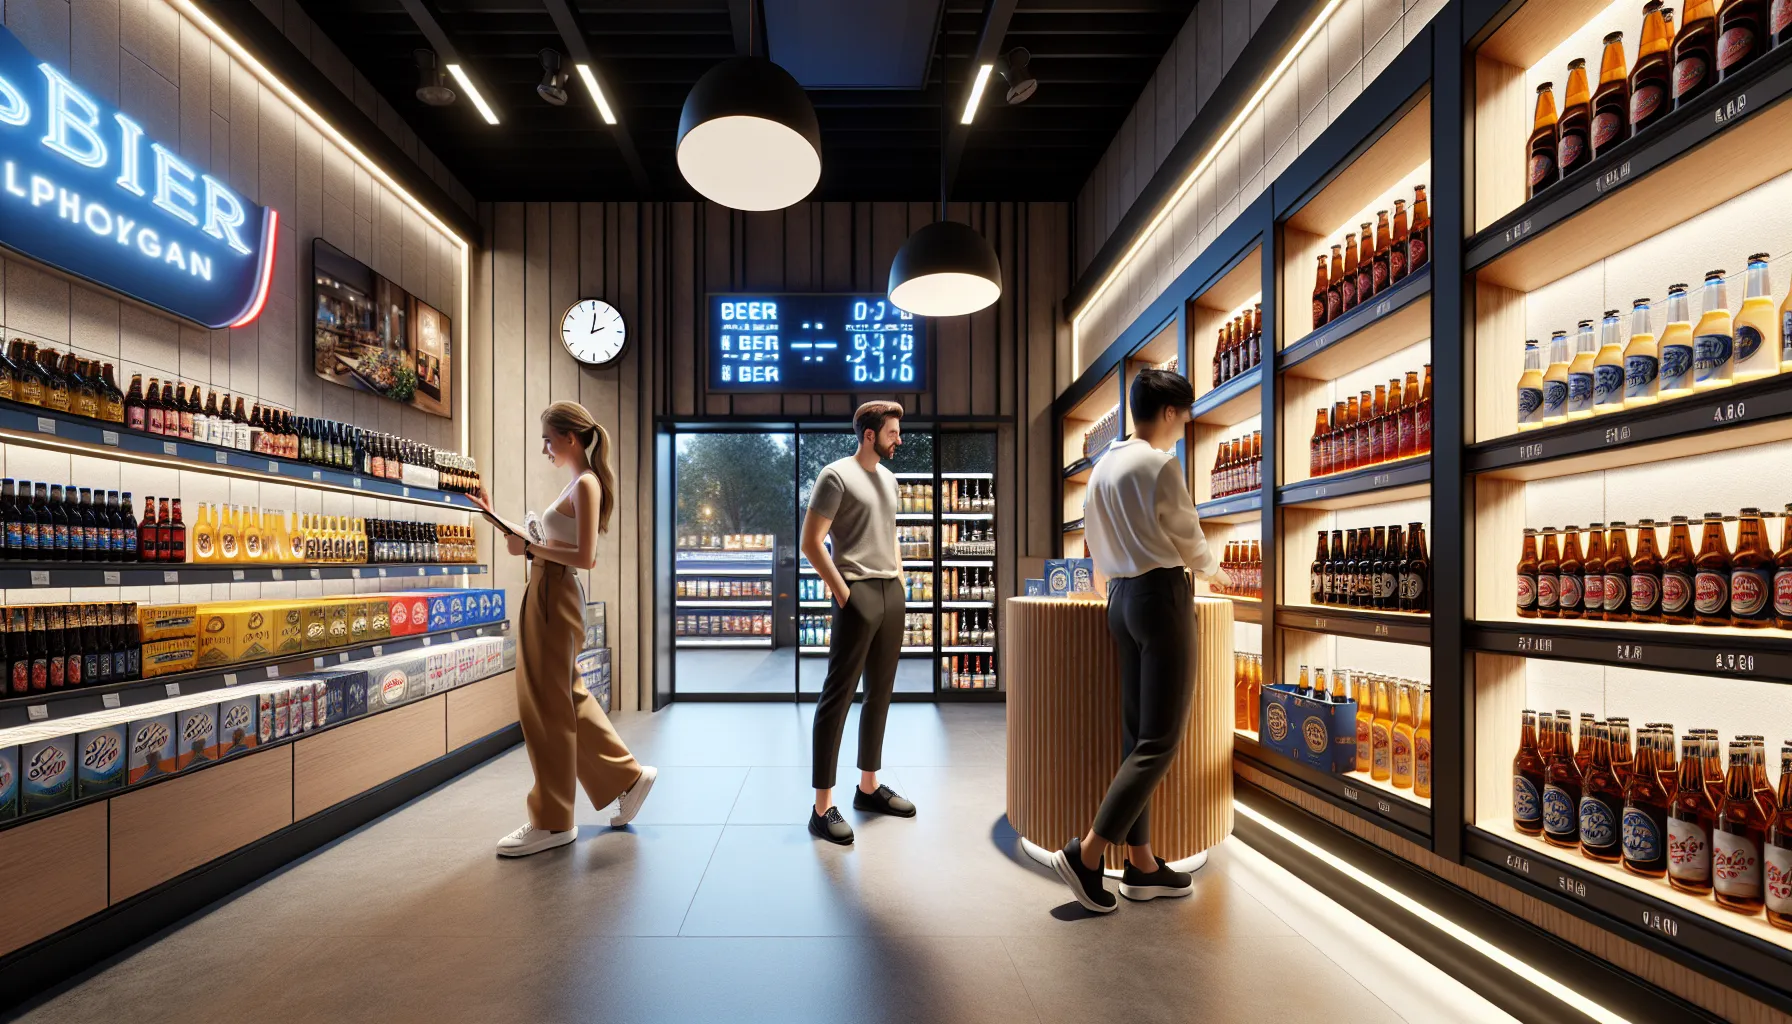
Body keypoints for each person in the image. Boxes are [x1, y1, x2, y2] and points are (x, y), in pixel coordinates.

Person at [1051, 369, 1226, 912]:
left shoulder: (1103, 467)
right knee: (1161, 739)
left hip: (1120, 600)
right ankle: (1088, 853)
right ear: (1170, 412)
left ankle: (1141, 862)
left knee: (1136, 736)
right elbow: (1186, 531)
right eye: (1186, 413)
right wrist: (1215, 572)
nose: (1187, 423)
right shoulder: (1159, 463)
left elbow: (1094, 541)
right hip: (1161, 597)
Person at [469, 401, 657, 857]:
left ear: (571, 438)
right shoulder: (576, 484)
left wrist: (533, 546)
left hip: (556, 595)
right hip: (545, 591)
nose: (545, 448)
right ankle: (626, 776)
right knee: (561, 696)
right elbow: (548, 545)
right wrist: (499, 519)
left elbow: (585, 557)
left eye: (548, 439)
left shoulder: (586, 485)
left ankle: (553, 820)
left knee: (546, 707)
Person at [802, 401, 917, 845]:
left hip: (892, 592)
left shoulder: (889, 480)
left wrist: (901, 581)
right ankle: (821, 807)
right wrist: (844, 592)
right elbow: (811, 542)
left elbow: (890, 536)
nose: (899, 439)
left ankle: (868, 788)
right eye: (892, 433)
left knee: (880, 695)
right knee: (839, 696)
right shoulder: (835, 476)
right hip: (857, 592)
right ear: (869, 435)